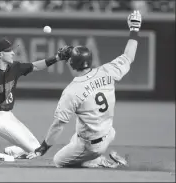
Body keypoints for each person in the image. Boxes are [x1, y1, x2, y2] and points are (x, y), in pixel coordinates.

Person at [27, 10, 142, 168]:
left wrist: (43, 148)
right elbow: (129, 56)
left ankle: (99, 161)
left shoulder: (72, 91)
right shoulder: (107, 70)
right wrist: (134, 29)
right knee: (78, 134)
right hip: (108, 132)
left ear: (71, 64)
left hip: (92, 144)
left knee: (58, 160)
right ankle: (94, 156)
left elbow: (58, 125)